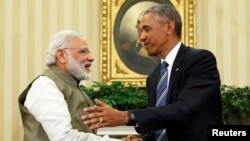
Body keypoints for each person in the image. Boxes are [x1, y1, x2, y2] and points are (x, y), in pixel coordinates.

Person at [82, 4, 224, 141]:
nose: (142, 37)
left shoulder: (200, 60)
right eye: (140, 31)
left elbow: (183, 110)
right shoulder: (154, 77)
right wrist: (144, 139)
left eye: (146, 29)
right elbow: (161, 125)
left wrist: (126, 116)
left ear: (169, 27)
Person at [18, 30, 140, 141]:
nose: (91, 58)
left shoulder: (72, 86)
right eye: (83, 51)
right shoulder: (45, 86)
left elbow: (83, 133)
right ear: (61, 56)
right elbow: (64, 138)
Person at [120, 10, 160, 75]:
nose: (141, 26)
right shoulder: (127, 48)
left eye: (145, 24)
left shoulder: (159, 48)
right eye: (139, 23)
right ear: (137, 26)